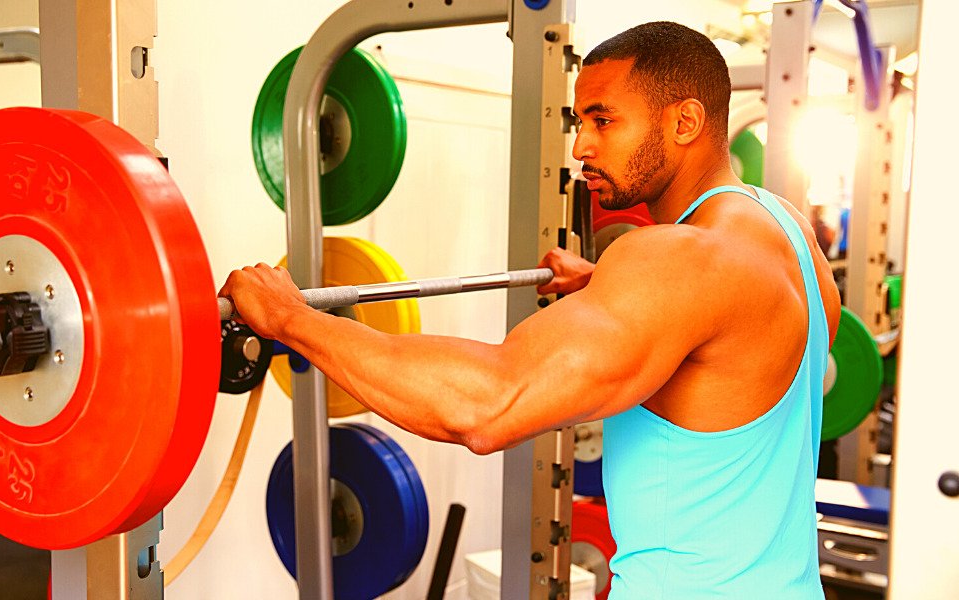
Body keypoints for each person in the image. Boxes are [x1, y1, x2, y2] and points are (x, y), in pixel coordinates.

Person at [220, 21, 840, 599]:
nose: (581, 146)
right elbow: (733, 355)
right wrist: (607, 287)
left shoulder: (677, 264)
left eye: (603, 121)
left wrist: (290, 319)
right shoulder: (787, 236)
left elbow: (487, 407)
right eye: (578, 120)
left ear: (685, 122)